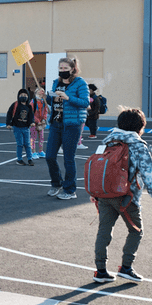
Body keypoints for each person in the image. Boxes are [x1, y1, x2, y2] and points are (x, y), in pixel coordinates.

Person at [92, 107, 152, 284]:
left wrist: (95, 192)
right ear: (140, 126)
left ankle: (100, 270)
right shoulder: (138, 145)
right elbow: (149, 172)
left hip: (104, 194)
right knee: (136, 231)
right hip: (126, 196)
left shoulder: (108, 141)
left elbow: (97, 168)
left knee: (104, 230)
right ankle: (126, 267)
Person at [45, 56, 89, 200]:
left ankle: (70, 190)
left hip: (72, 125)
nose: (62, 71)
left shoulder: (80, 83)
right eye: (60, 68)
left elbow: (85, 102)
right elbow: (53, 102)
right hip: (56, 123)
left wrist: (68, 97)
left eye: (65, 68)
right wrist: (46, 97)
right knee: (50, 156)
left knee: (68, 158)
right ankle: (56, 183)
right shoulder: (55, 83)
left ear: (72, 69)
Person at [6, 88, 35, 166]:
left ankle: (30, 159)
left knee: (28, 144)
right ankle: (19, 159)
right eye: (21, 95)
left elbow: (31, 115)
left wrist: (32, 122)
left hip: (26, 128)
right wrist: (8, 123)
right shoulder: (15, 104)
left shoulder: (29, 106)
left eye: (25, 95)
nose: (23, 96)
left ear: (28, 96)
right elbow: (9, 113)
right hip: (17, 127)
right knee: (20, 144)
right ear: (18, 96)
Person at [30, 87, 48, 159]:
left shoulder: (44, 102)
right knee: (33, 138)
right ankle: (33, 152)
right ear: (36, 93)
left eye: (43, 92)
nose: (41, 93)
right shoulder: (32, 102)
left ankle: (40, 151)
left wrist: (44, 119)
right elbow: (31, 113)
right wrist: (37, 121)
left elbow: (45, 111)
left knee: (41, 137)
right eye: (40, 92)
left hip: (41, 123)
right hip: (34, 123)